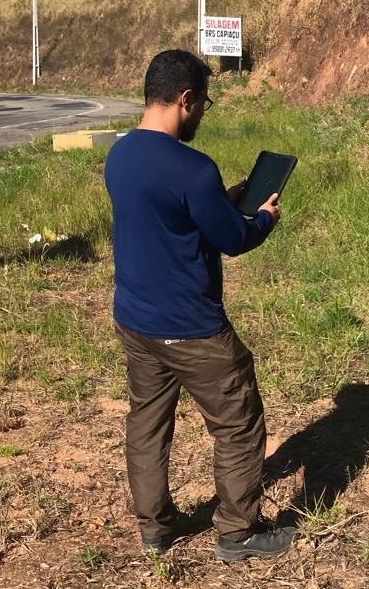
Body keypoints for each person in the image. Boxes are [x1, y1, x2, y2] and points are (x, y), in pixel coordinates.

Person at [104, 49, 295, 560]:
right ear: (185, 99)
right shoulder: (193, 168)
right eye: (204, 105)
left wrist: (222, 203)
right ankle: (238, 532)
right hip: (192, 328)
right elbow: (234, 241)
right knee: (238, 422)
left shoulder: (119, 155)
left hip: (136, 321)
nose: (203, 115)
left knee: (147, 422)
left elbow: (172, 222)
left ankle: (155, 530)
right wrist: (263, 219)